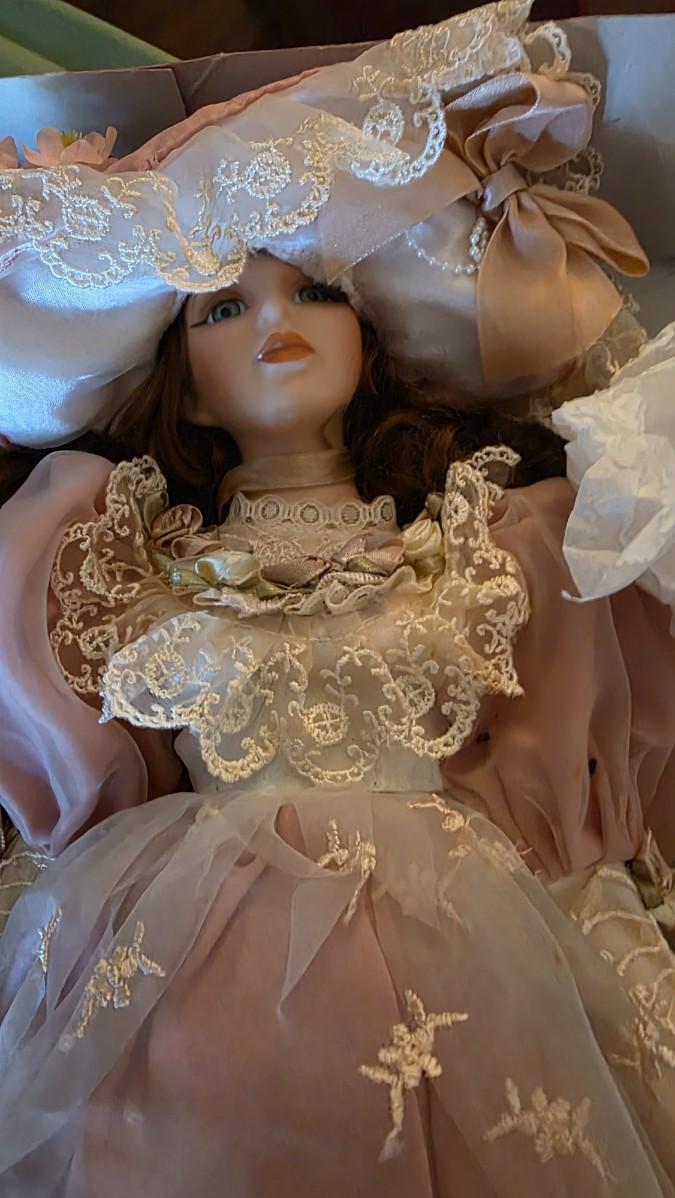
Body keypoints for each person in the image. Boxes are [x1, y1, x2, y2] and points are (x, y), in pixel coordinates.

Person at [2, 4, 675, 1195]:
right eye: (224, 308)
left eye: (313, 292)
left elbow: (569, 770)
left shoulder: (491, 541)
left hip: (460, 942)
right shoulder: (113, 559)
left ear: (368, 344)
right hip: (186, 969)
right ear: (187, 391)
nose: (275, 321)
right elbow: (75, 792)